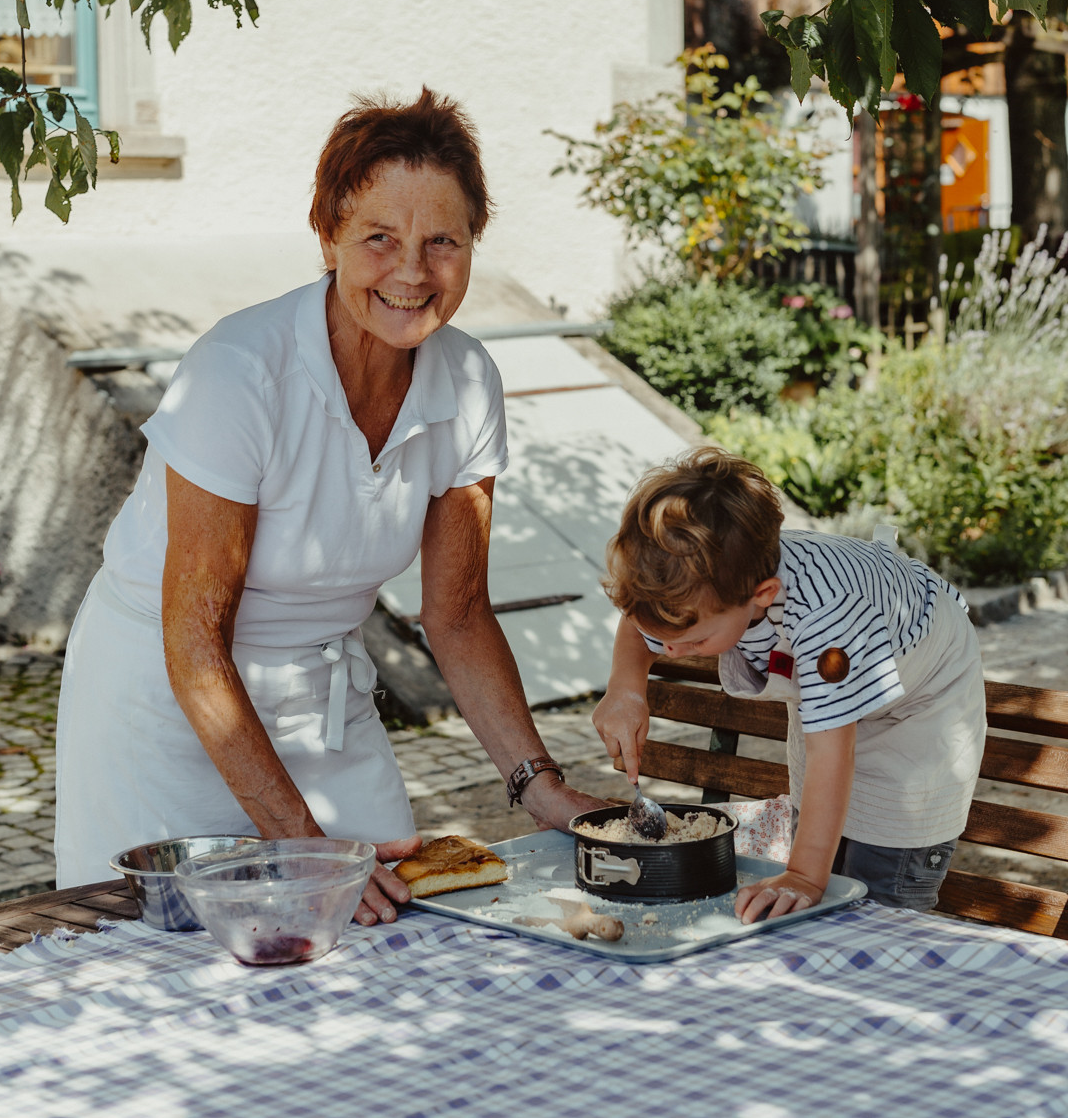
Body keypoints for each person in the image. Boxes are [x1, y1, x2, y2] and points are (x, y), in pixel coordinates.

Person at [56, 88, 603, 922]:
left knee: (393, 932)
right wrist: (305, 848)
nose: (413, 271)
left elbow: (455, 616)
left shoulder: (467, 381)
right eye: (379, 238)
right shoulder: (240, 372)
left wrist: (542, 788)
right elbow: (196, 644)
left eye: (442, 242)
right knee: (171, 966)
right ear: (328, 236)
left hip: (322, 704)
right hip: (167, 708)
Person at [592, 448, 986, 922]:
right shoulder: (689, 587)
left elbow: (831, 752)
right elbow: (640, 627)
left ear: (762, 595)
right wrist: (626, 690)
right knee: (821, 849)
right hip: (834, 686)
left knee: (882, 876)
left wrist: (802, 876)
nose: (670, 650)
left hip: (922, 705)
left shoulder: (828, 619)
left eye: (693, 640)